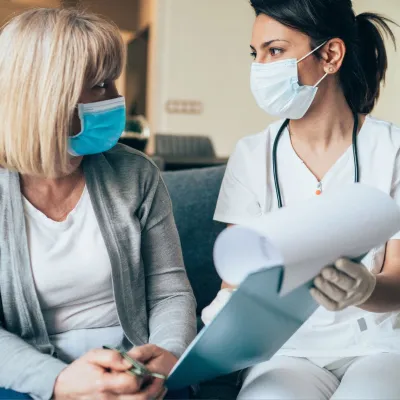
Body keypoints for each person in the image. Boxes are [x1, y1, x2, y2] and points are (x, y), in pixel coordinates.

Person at [202, 0, 400, 398]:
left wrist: (365, 289)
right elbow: (235, 278)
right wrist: (219, 326)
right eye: (255, 54)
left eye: (274, 51)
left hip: (378, 345)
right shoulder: (252, 155)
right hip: (283, 351)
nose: (260, 68)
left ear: (330, 55)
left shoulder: (392, 149)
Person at [0, 8, 196, 400]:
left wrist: (166, 355)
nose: (117, 98)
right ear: (46, 97)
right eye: (101, 85)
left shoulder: (136, 173)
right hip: (28, 371)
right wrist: (58, 382)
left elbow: (169, 290)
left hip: (131, 363)